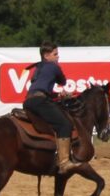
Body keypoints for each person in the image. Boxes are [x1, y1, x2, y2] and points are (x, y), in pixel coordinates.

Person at [22, 43, 77, 173]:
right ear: (46, 56)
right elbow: (62, 81)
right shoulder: (53, 66)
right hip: (40, 101)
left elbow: (40, 88)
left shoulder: (38, 68)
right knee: (64, 125)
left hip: (29, 101)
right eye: (55, 54)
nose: (58, 57)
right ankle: (64, 162)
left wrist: (57, 94)